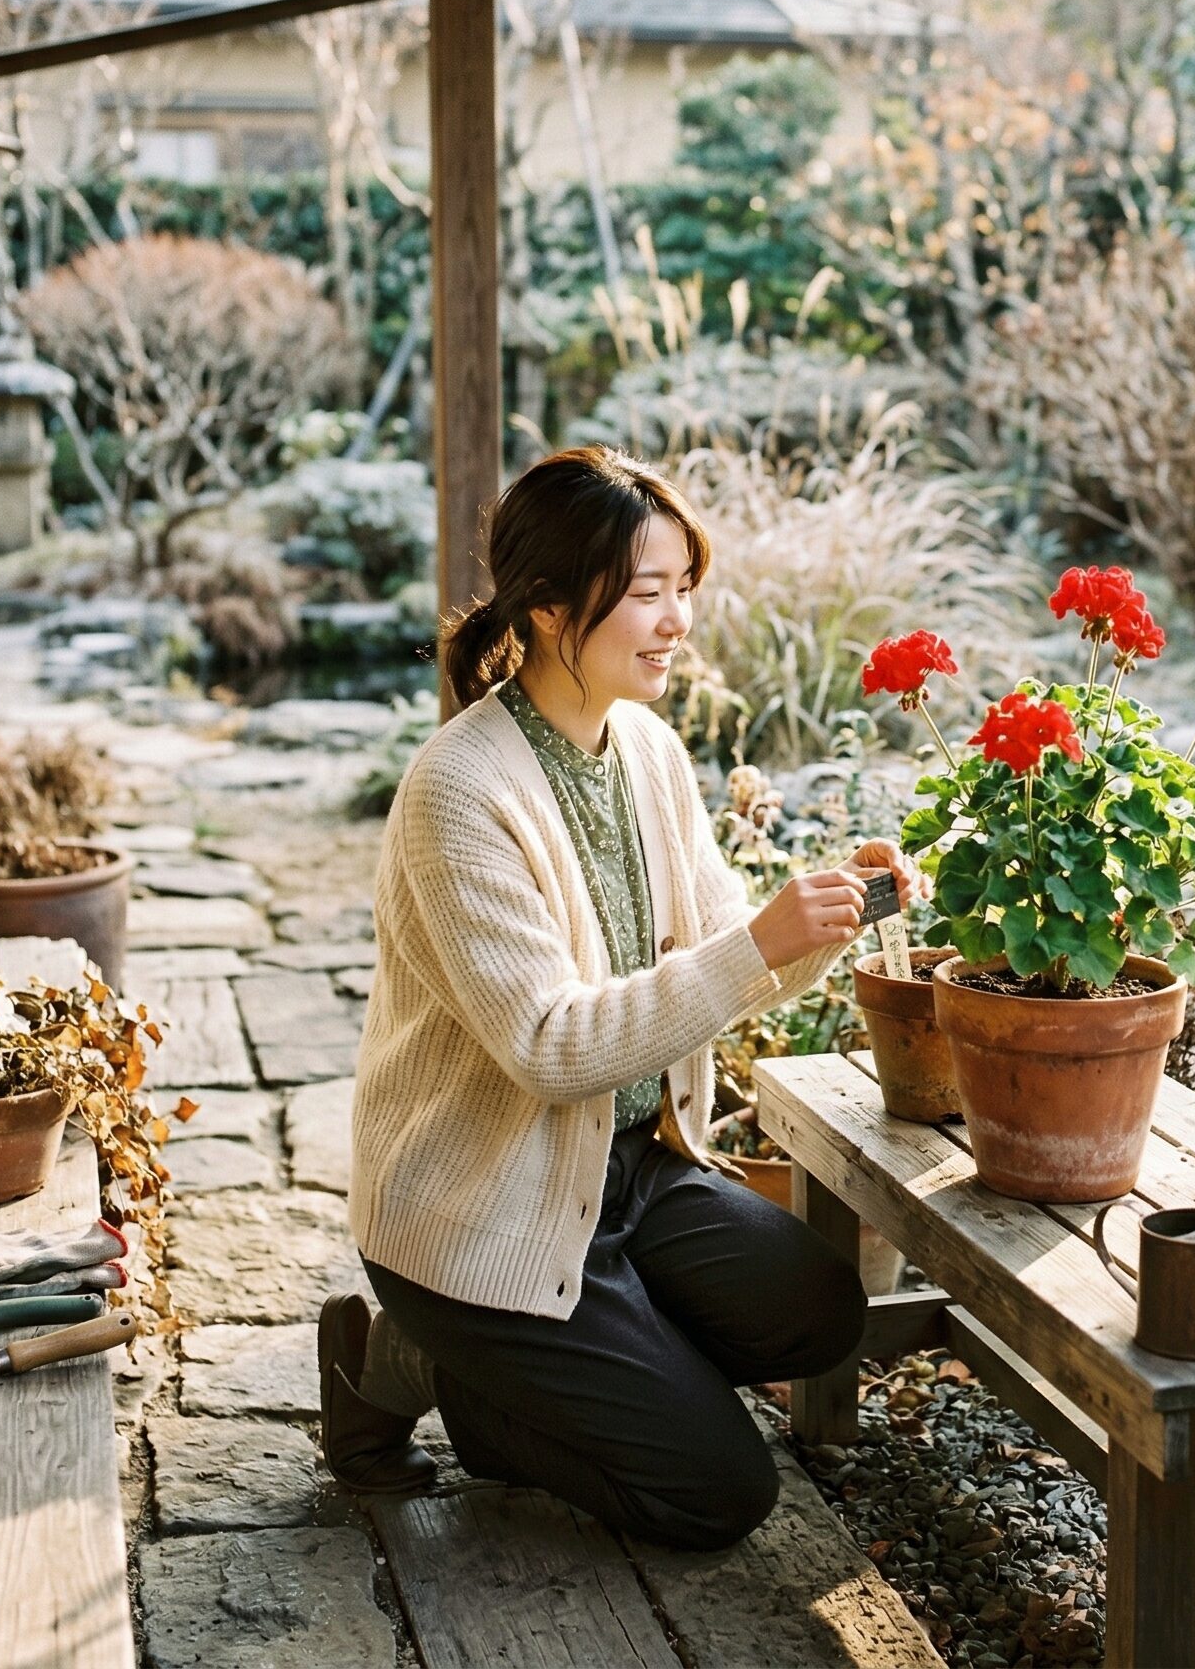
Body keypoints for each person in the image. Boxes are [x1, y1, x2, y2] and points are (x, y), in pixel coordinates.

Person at [319, 444, 921, 1550]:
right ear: (548, 607)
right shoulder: (458, 788)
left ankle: (552, 1361)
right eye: (646, 592)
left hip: (624, 1168)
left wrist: (833, 915)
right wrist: (758, 941)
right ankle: (434, 1364)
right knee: (717, 1493)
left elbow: (729, 957)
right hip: (480, 1199)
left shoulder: (643, 745)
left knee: (823, 1310)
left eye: (682, 588)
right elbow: (549, 1045)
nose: (676, 619)